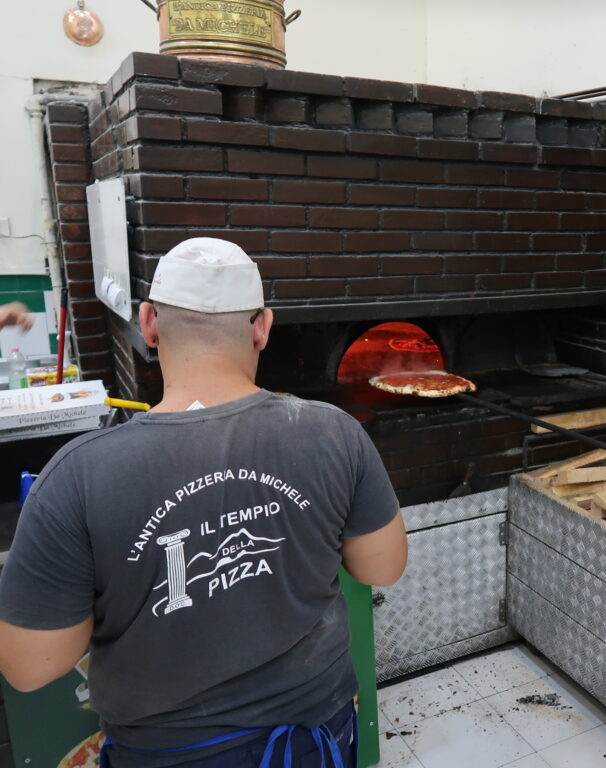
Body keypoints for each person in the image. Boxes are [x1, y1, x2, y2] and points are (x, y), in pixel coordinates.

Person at [0, 238, 408, 768]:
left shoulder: (76, 476)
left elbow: (31, 666)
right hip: (316, 738)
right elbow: (385, 566)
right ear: (262, 327)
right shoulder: (335, 433)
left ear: (148, 323)